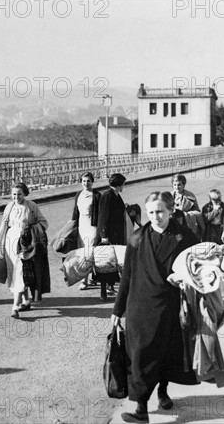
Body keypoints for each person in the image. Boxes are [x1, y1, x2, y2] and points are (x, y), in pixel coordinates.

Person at [111, 192, 200, 423]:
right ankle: (141, 409)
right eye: (151, 212)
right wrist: (117, 310)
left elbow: (197, 270)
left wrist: (181, 279)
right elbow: (127, 277)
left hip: (171, 307)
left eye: (160, 211)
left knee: (167, 353)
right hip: (140, 308)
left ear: (171, 210)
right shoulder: (137, 238)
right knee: (140, 355)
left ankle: (163, 392)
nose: (155, 216)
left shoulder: (185, 237)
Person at [0, 182, 50, 318]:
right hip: (10, 242)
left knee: (20, 270)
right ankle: (25, 301)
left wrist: (29, 230)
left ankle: (15, 306)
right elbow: (3, 227)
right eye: (14, 194)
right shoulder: (9, 207)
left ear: (25, 193)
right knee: (14, 271)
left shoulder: (31, 206)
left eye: (19, 194)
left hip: (25, 244)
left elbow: (44, 223)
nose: (16, 197)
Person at [95, 173, 132, 302]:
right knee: (104, 263)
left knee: (112, 262)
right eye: (123, 184)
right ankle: (103, 290)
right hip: (108, 236)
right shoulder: (107, 196)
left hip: (116, 235)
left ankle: (110, 287)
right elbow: (103, 217)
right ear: (119, 184)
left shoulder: (116, 195)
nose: (124, 186)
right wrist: (103, 236)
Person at [71, 172, 101, 290]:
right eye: (84, 181)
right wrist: (72, 225)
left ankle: (84, 281)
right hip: (81, 226)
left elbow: (101, 213)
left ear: (92, 182)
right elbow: (75, 212)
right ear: (81, 182)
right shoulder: (79, 194)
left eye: (88, 181)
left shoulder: (97, 195)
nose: (86, 183)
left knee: (87, 254)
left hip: (92, 226)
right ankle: (92, 277)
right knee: (82, 253)